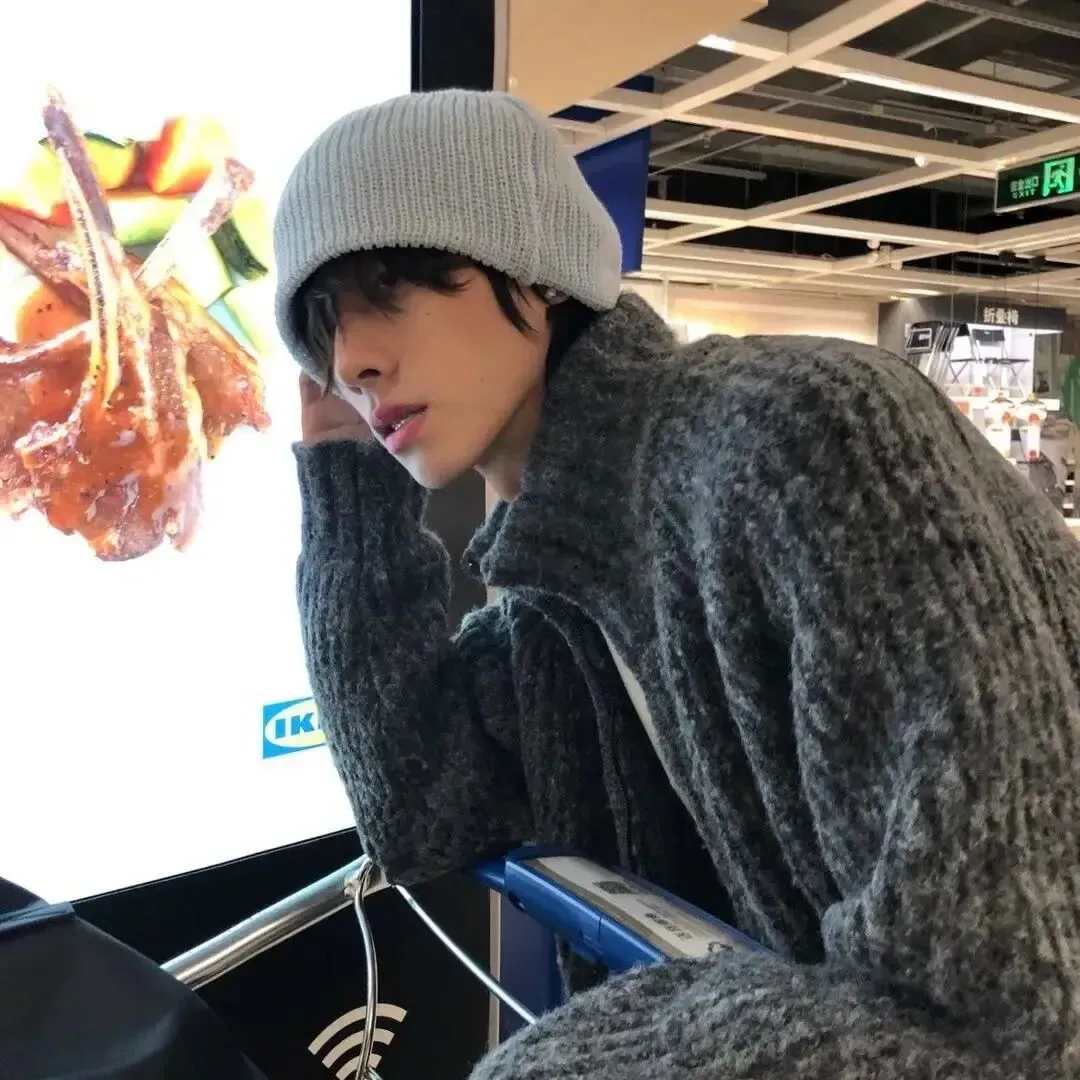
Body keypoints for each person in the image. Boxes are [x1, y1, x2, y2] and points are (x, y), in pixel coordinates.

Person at [272, 90, 1080, 1080]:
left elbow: (1000, 1015)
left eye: (388, 288)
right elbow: (424, 810)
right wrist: (348, 487)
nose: (351, 359)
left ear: (534, 264)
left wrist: (557, 1064)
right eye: (322, 328)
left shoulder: (803, 435)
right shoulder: (561, 593)